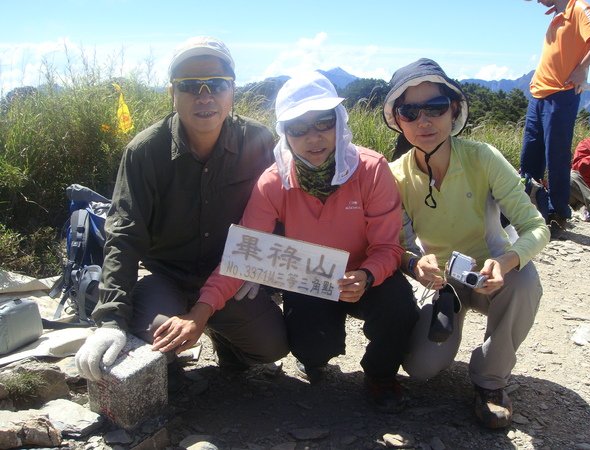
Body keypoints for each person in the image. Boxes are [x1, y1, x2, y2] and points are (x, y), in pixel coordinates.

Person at [198, 71, 419, 413]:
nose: (313, 138)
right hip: (312, 280)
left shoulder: (371, 170)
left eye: (323, 123)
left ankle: (381, 374)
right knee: (311, 348)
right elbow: (244, 254)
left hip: (368, 275)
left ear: (339, 122)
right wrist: (203, 310)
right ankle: (315, 357)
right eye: (298, 129)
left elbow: (388, 248)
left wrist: (368, 276)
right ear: (284, 133)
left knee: (399, 306)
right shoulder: (273, 183)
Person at [75, 36, 288, 380]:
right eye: (190, 86)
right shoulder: (145, 151)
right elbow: (124, 235)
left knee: (272, 347)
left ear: (232, 91)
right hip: (168, 277)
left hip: (228, 279)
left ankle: (226, 342)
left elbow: (284, 212)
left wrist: (261, 271)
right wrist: (111, 320)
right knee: (163, 341)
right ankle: (150, 322)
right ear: (172, 94)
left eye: (217, 84)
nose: (205, 96)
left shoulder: (260, 142)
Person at [382, 58, 550, 428]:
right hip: (442, 283)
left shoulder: (482, 158)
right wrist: (415, 264)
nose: (423, 121)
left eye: (435, 108)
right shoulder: (395, 176)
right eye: (409, 111)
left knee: (524, 281)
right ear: (397, 119)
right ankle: (452, 337)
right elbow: (396, 245)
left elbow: (536, 227)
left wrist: (506, 262)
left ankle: (490, 380)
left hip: (495, 274)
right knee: (420, 369)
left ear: (453, 110)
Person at [520, 0, 590, 234]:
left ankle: (557, 214)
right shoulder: (560, 13)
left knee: (556, 155)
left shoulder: (579, 8)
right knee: (529, 156)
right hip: (538, 94)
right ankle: (527, 210)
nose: (537, 1)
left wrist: (582, 68)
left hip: (561, 94)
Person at [570, 127, 590, 222]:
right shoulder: (585, 144)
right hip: (583, 191)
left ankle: (584, 208)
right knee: (570, 177)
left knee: (578, 203)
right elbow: (579, 169)